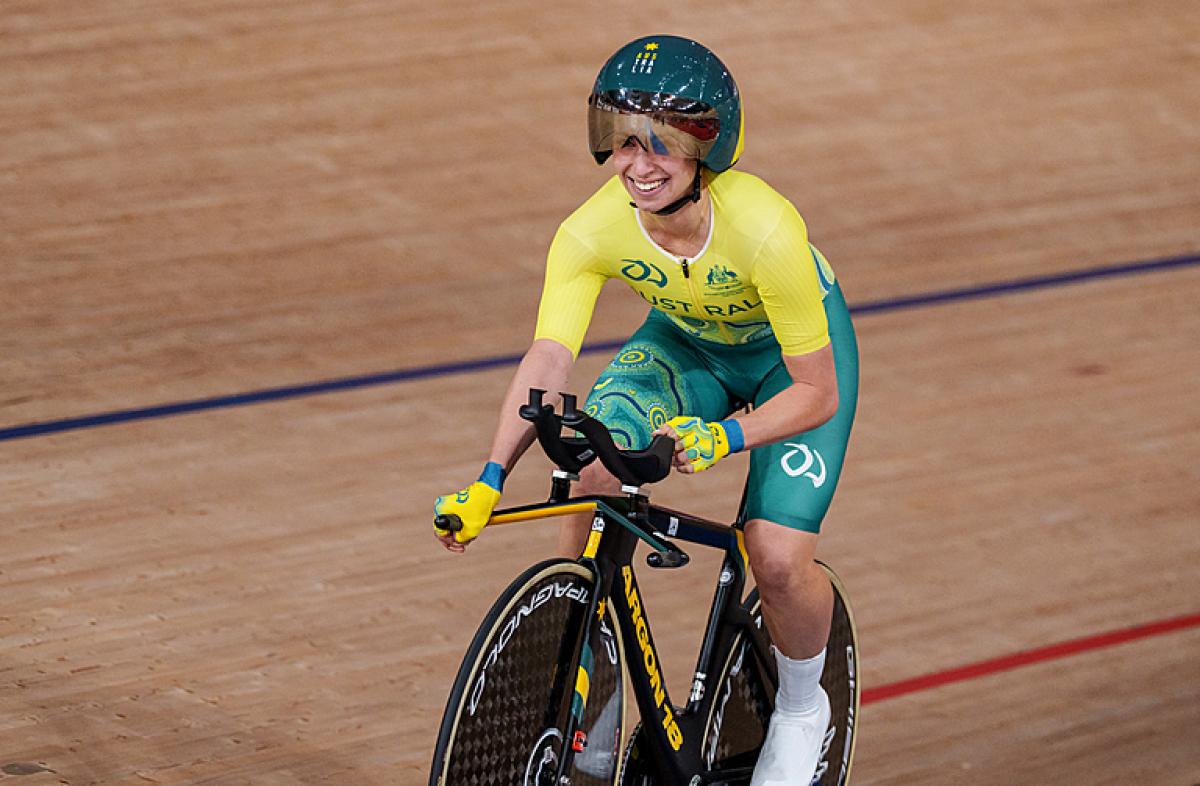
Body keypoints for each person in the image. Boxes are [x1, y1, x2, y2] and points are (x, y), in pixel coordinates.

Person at [433, 34, 858, 786]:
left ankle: (800, 709)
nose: (640, 163)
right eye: (621, 140)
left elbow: (815, 393)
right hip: (687, 347)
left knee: (778, 560)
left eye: (662, 143)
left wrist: (725, 437)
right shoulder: (589, 230)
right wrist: (491, 478)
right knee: (591, 468)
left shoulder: (766, 230)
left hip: (787, 369)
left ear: (709, 149)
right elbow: (547, 364)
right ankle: (583, 684)